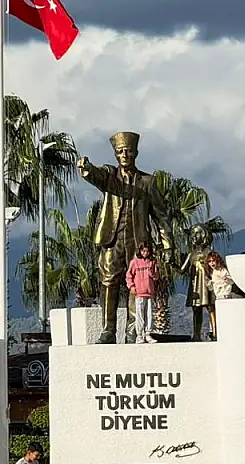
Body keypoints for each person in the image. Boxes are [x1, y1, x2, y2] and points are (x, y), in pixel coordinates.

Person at [77, 131, 171, 344]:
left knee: (136, 285)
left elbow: (161, 215)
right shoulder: (110, 176)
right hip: (113, 239)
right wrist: (86, 169)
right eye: (120, 151)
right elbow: (96, 175)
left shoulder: (147, 181)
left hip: (138, 243)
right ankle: (108, 330)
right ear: (115, 155)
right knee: (109, 282)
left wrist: (167, 243)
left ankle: (133, 329)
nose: (124, 154)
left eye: (128, 151)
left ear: (136, 153)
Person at [126, 242, 159, 344]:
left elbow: (156, 277)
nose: (145, 253)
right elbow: (129, 275)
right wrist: (131, 286)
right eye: (143, 251)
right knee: (139, 314)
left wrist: (152, 272)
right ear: (140, 251)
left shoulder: (152, 262)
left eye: (147, 251)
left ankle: (148, 334)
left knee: (149, 314)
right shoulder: (134, 263)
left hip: (149, 292)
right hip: (139, 293)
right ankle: (139, 335)